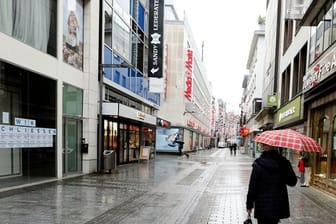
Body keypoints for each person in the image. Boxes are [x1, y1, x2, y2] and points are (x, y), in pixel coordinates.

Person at [246, 143, 297, 224]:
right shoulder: (284, 162)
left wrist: (249, 205)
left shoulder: (258, 163)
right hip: (277, 205)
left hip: (262, 205)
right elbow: (292, 182)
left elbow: (252, 186)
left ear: (264, 147)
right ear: (276, 147)